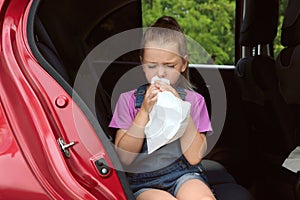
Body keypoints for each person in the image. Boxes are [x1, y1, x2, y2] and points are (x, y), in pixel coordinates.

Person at [109, 16, 215, 200]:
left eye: (170, 66)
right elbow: (124, 159)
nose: (160, 73)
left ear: (183, 64)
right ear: (142, 64)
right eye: (152, 66)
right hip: (143, 182)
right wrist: (143, 111)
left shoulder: (194, 101)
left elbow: (194, 157)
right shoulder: (128, 100)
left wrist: (182, 110)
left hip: (184, 174)